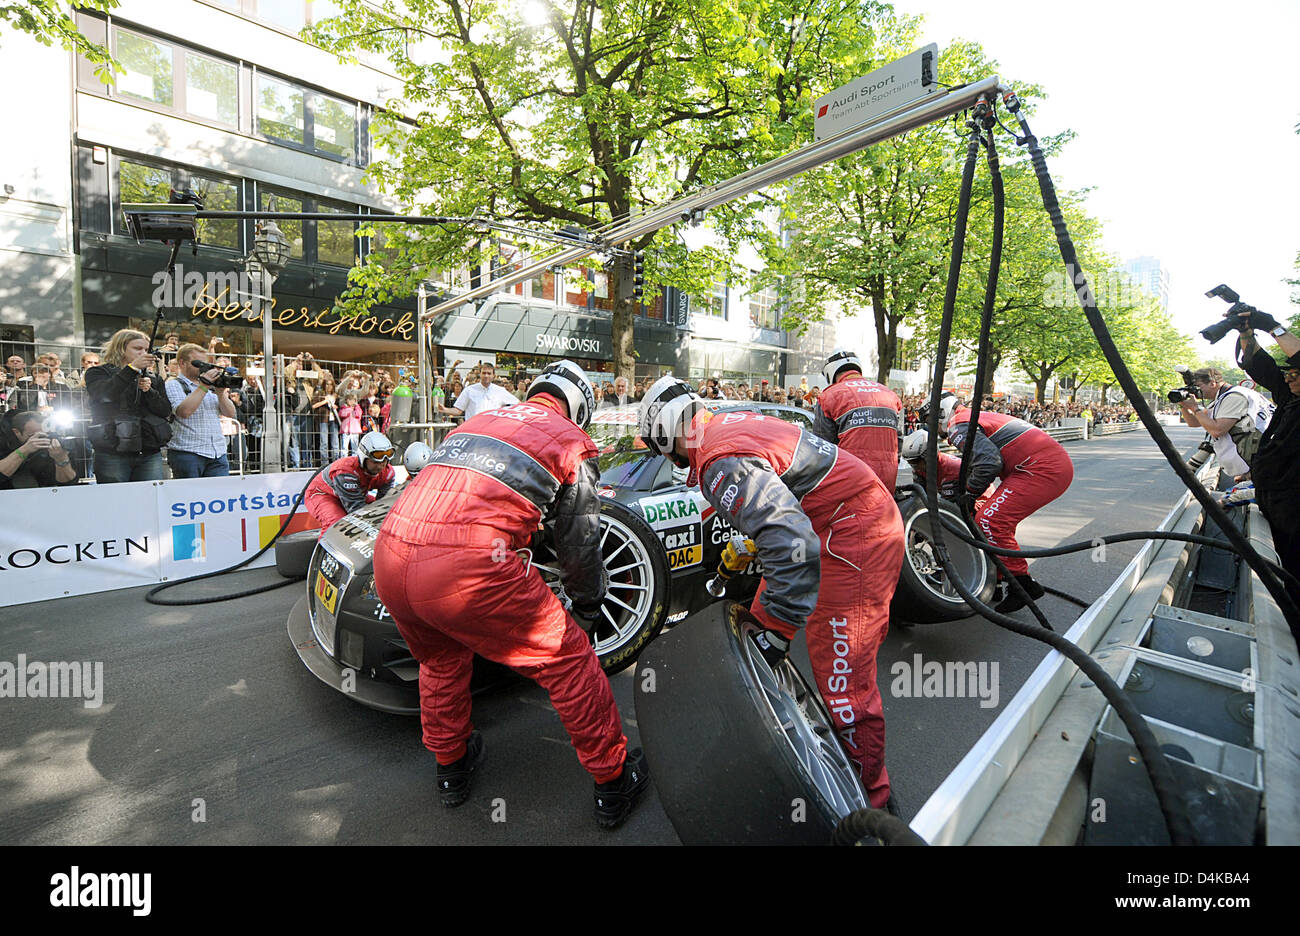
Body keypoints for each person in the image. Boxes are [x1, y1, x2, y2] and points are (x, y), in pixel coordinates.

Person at [373, 360, 648, 828]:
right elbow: (579, 543)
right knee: (570, 662)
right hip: (469, 567)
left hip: (391, 553)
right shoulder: (568, 439)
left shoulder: (478, 421)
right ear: (578, 406)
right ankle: (613, 781)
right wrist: (586, 604)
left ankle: (451, 769)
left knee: (439, 662)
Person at [639, 376, 904, 811]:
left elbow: (786, 539)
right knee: (759, 631)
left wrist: (781, 630)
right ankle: (762, 729)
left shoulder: (716, 458)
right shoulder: (727, 425)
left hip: (854, 535)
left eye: (658, 446)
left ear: (666, 433)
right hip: (837, 522)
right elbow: (786, 501)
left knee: (843, 681)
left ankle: (871, 803)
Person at [928, 390, 1075, 613]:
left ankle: (1022, 586)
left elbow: (988, 463)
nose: (931, 428)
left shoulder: (958, 424)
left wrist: (970, 492)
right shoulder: (973, 417)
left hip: (1039, 468)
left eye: (930, 421)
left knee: (990, 519)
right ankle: (995, 578)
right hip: (1038, 465)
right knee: (994, 521)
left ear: (940, 413)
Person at [1236, 309, 1300, 629]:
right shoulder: (1291, 397)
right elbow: (1266, 369)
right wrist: (1247, 334)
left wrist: (1272, 326)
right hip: (1279, 508)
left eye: (1296, 373)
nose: (1289, 378)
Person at [84, 329, 173, 483]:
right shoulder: (98, 372)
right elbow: (104, 395)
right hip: (112, 451)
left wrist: (149, 391)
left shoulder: (153, 377)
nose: (143, 353)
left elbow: (165, 410)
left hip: (149, 452)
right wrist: (131, 369)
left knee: (150, 500)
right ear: (120, 349)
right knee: (116, 501)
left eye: (146, 349)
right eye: (137, 349)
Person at [811, 349, 904, 491]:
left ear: (830, 372)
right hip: (887, 476)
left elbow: (822, 448)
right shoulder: (889, 394)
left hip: (850, 476)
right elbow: (899, 439)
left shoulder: (829, 396)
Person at [1178, 366, 1273, 481]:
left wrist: (1194, 408)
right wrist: (1184, 405)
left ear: (1212, 383)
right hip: (1261, 459)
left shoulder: (1234, 397)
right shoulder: (1224, 397)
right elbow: (1194, 422)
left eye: (1197, 386)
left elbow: (1217, 430)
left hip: (1263, 460)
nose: (1194, 391)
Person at [303, 430, 397, 536]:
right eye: (375, 462)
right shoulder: (345, 472)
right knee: (337, 525)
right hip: (322, 494)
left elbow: (383, 505)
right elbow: (356, 510)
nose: (380, 466)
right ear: (364, 458)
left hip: (355, 494)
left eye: (384, 462)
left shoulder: (388, 473)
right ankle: (323, 551)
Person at [165, 344, 237, 478]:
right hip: (188, 452)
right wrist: (204, 386)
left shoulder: (210, 386)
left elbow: (230, 413)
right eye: (198, 363)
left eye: (205, 364)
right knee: (189, 497)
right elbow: (184, 412)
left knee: (219, 496)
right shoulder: (173, 384)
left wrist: (221, 394)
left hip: (217, 453)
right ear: (182, 363)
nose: (203, 368)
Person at [0, 410, 79, 489]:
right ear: (16, 432)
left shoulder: (55, 444)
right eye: (32, 436)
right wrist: (25, 450)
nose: (39, 440)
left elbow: (69, 484)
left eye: (43, 435)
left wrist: (61, 459)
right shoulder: (5, 443)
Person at [443, 362, 517, 421]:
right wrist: (444, 409)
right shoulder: (469, 390)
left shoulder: (500, 391)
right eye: (484, 373)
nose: (486, 376)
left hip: (492, 431)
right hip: (473, 430)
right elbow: (458, 410)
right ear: (480, 374)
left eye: (489, 373)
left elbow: (517, 404)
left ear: (493, 375)